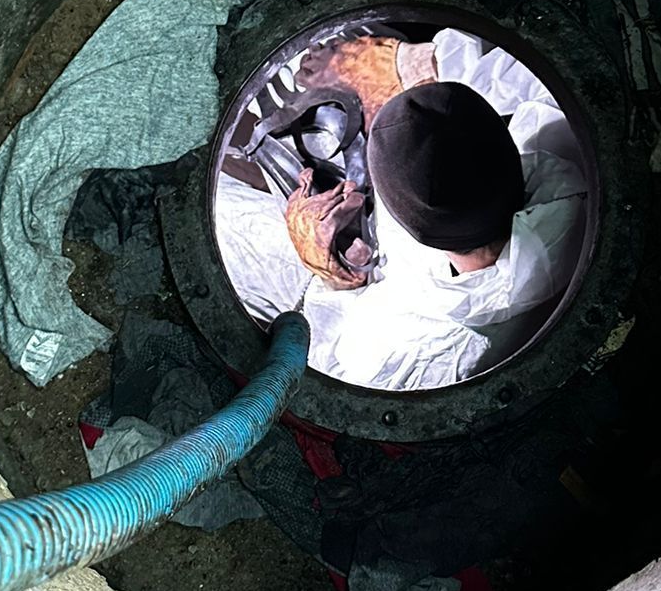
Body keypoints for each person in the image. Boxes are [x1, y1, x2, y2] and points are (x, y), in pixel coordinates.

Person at [214, 27, 588, 391]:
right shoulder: (572, 144)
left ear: (396, 215)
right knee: (339, 44)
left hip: (360, 292)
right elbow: (532, 70)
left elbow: (330, 364)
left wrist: (330, 277)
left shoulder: (421, 345)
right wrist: (409, 64)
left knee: (227, 218)